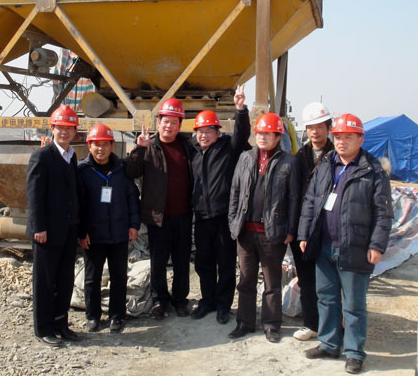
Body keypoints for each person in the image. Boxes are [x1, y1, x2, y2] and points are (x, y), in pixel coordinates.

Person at [298, 113, 392, 374]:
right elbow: (310, 201)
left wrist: (377, 245)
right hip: (323, 246)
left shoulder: (373, 170)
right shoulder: (326, 164)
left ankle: (354, 353)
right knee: (326, 298)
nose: (341, 141)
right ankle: (329, 344)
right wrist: (304, 234)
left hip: (355, 248)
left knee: (353, 305)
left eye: (348, 137)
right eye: (338, 137)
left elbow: (384, 212)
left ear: (361, 139)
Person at [228, 112, 301, 343]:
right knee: (246, 280)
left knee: (271, 283)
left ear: (278, 137)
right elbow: (235, 191)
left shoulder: (289, 163)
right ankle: (244, 322)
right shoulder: (245, 158)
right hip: (245, 233)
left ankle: (271, 325)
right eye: (259, 133)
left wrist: (291, 230)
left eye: (268, 133)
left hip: (272, 234)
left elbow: (294, 198)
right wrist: (233, 221)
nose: (262, 137)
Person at [126, 98, 193, 319]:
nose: (169, 126)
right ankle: (159, 301)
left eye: (174, 122)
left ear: (180, 125)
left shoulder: (188, 147)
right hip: (158, 217)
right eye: (165, 121)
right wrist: (139, 148)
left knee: (182, 261)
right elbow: (131, 172)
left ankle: (180, 300)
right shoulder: (149, 146)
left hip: (183, 215)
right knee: (158, 262)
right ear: (158, 123)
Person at [189, 85, 251, 325]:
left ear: (218, 131)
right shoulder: (193, 152)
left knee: (225, 263)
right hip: (202, 217)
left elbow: (242, 135)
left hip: (224, 217)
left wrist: (240, 109)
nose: (204, 135)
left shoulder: (229, 149)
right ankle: (208, 301)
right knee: (204, 263)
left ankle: (224, 305)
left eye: (208, 131)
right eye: (200, 131)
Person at [25, 105, 86, 347]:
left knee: (64, 279)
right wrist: (39, 227)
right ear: (52, 128)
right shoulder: (42, 156)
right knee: (45, 281)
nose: (64, 132)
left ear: (75, 131)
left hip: (68, 229)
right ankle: (43, 328)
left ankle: (61, 324)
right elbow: (34, 195)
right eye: (60, 127)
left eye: (69, 128)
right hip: (47, 232)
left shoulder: (71, 157)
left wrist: (79, 227)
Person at [77, 124, 140, 333]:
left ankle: (117, 316)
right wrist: (81, 231)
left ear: (112, 146)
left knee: (119, 277)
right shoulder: (82, 171)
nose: (100, 149)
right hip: (93, 235)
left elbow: (132, 197)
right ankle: (93, 316)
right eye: (96, 144)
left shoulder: (122, 169)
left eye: (105, 144)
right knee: (92, 278)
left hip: (119, 233)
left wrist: (134, 225)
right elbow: (77, 204)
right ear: (89, 146)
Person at [290, 102, 334, 341]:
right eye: (310, 127)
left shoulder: (337, 157)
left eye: (319, 126)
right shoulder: (300, 157)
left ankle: (333, 326)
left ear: (328, 127)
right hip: (304, 229)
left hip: (329, 228)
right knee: (307, 278)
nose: (315, 132)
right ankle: (312, 323)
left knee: (330, 281)